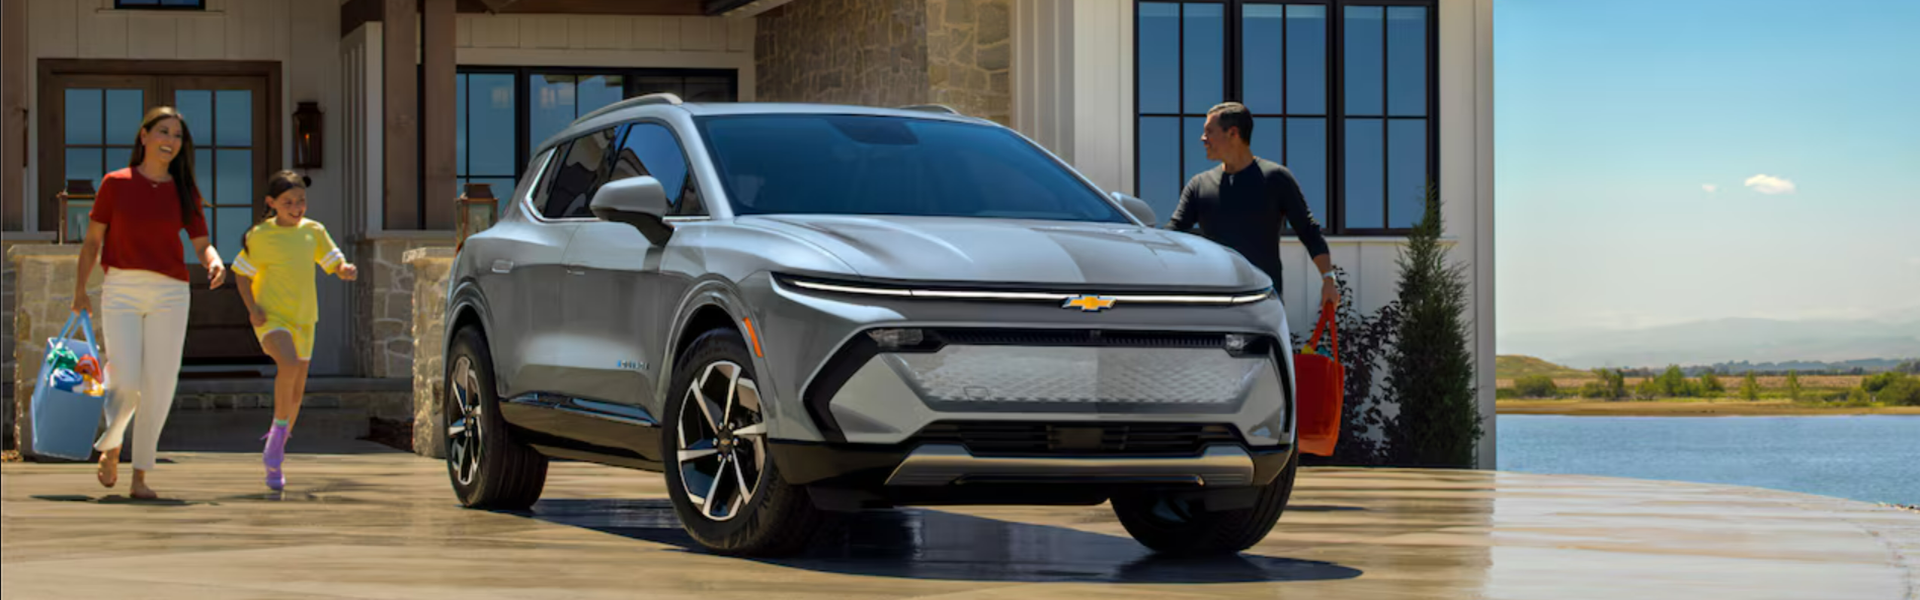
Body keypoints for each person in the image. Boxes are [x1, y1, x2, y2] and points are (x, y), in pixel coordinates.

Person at [74, 106, 227, 500]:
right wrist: (79, 292)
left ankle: (140, 476)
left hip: (170, 294)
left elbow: (200, 242)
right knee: (125, 377)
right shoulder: (116, 183)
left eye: (177, 136)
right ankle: (112, 443)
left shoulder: (184, 190)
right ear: (143, 136)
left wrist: (213, 260)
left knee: (159, 385)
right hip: (121, 288)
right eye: (163, 131)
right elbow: (93, 242)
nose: (171, 141)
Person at [231, 171, 357, 491]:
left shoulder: (313, 231)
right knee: (286, 364)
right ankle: (275, 442)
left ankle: (276, 449)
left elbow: (333, 260)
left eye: (301, 201)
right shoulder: (260, 236)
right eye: (288, 202)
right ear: (272, 204)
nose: (297, 207)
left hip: (304, 320)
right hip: (271, 319)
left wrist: (343, 270)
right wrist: (252, 308)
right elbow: (242, 275)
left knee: (298, 391)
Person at [1166, 102, 1340, 307]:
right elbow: (1173, 235)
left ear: (1233, 133)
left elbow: (1308, 231)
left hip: (1263, 302)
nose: (1203, 139)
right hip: (1215, 303)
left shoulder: (1276, 178)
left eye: (1209, 132)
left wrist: (1328, 279)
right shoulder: (1199, 185)